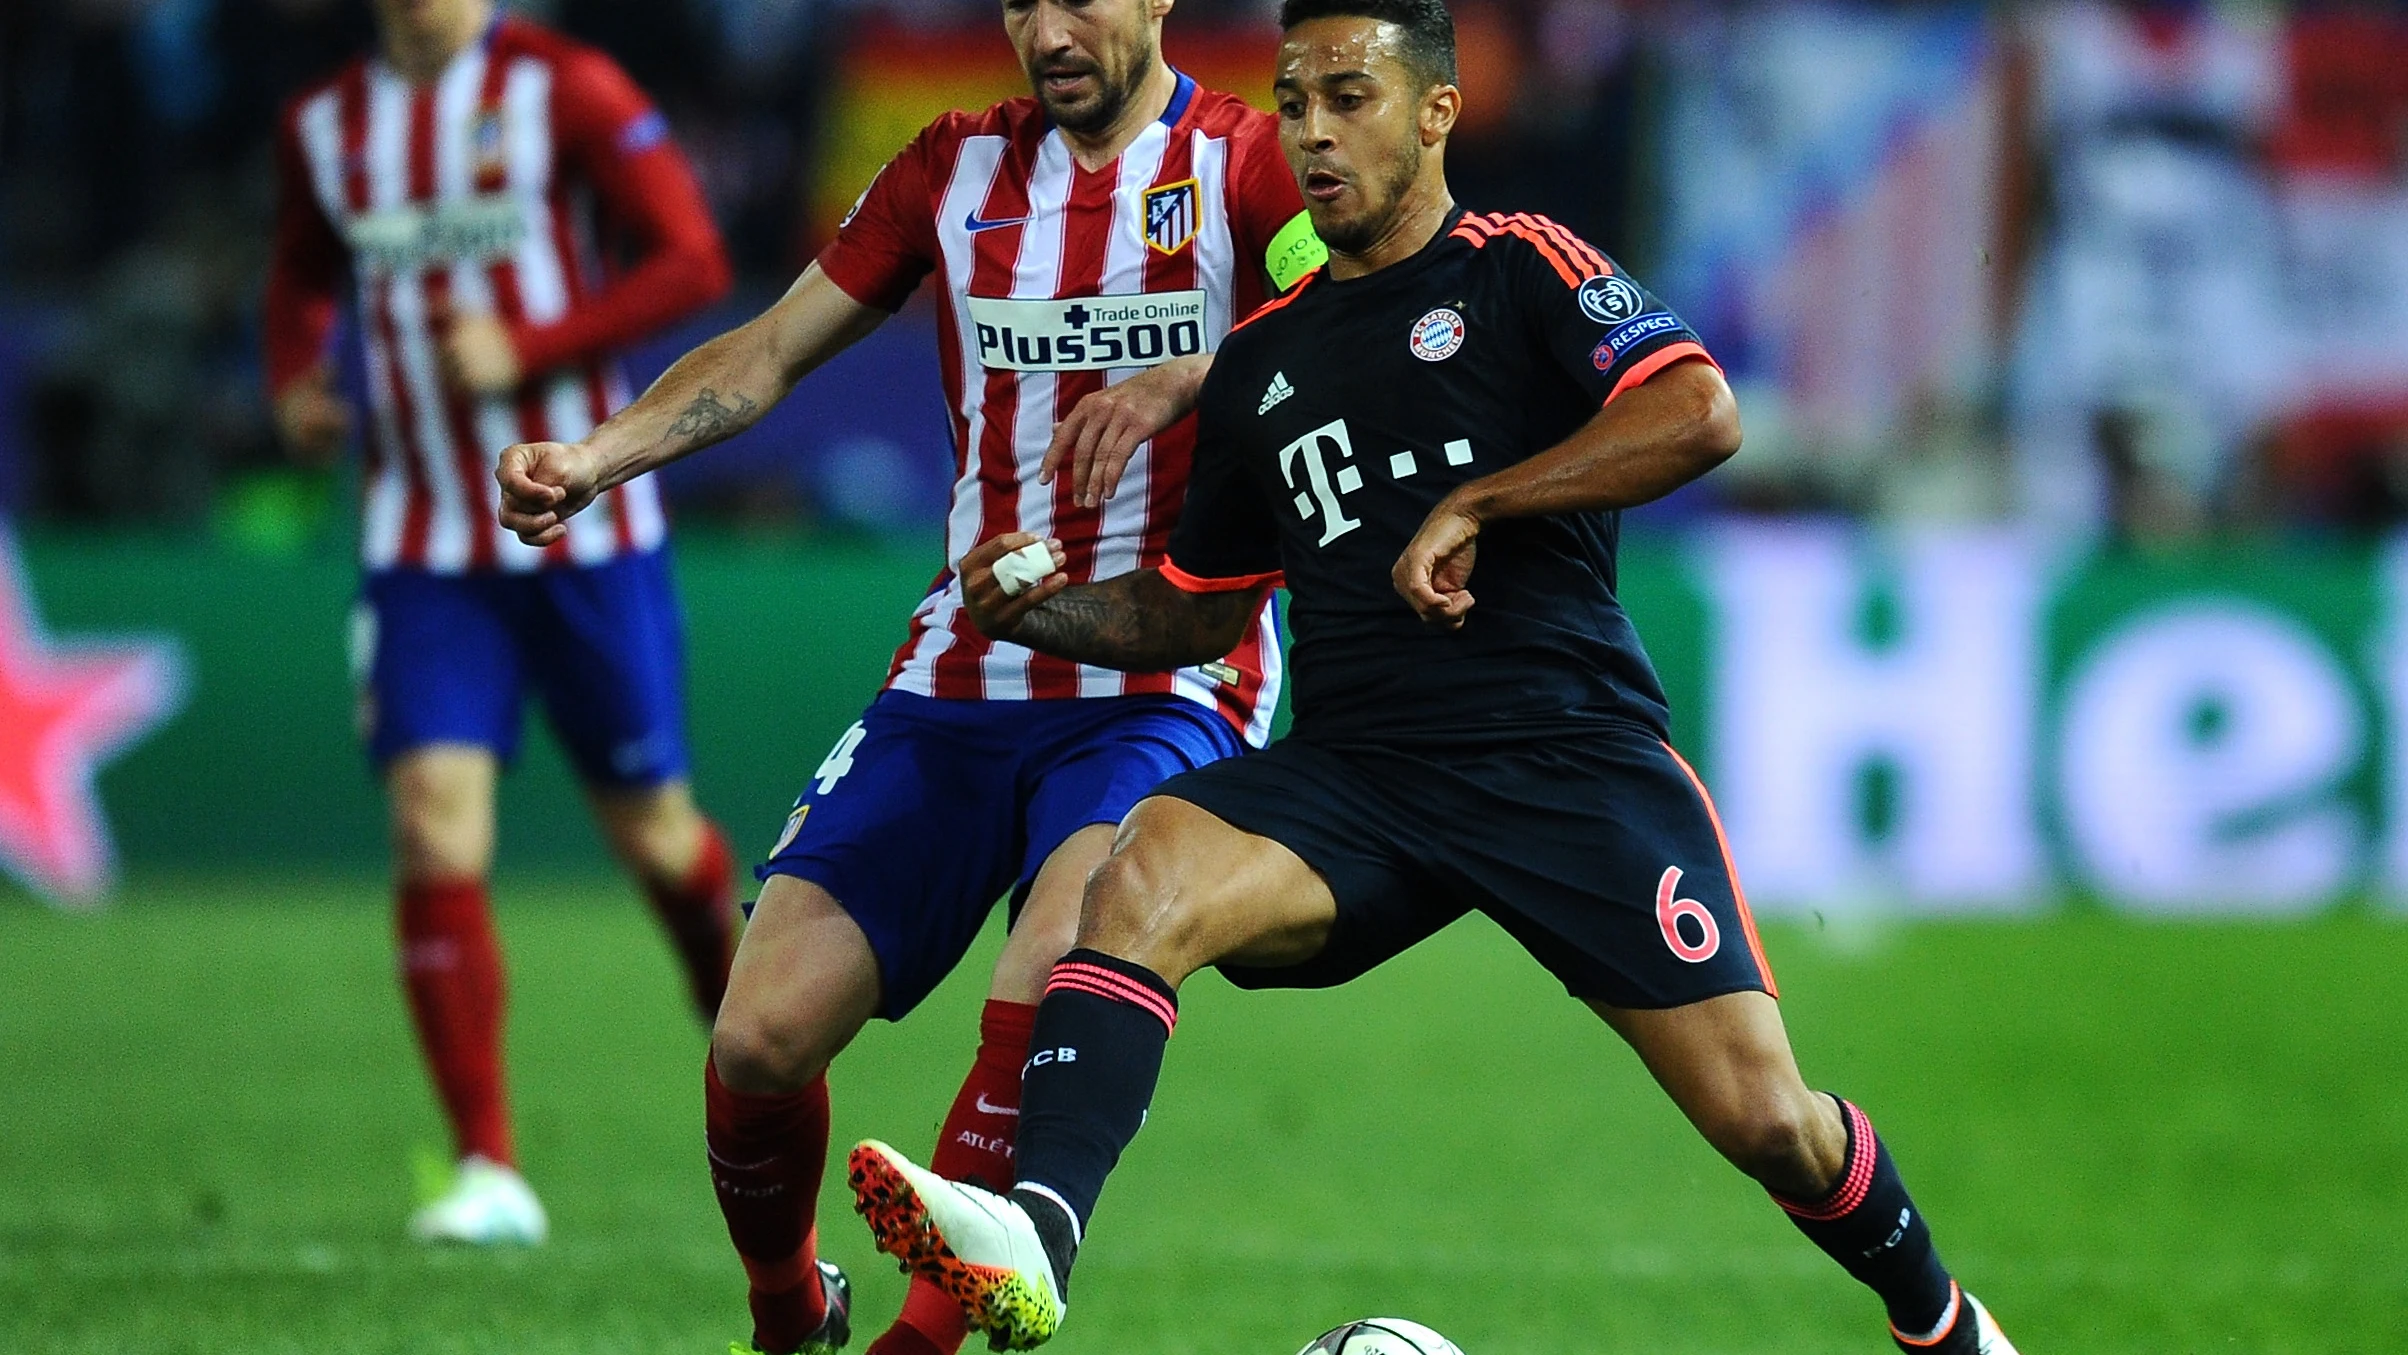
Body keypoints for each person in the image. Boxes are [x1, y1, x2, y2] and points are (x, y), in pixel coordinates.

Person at [844, 3, 2022, 1354]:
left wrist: (1483, 501)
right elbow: (1192, 609)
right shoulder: (1261, 363)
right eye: (1293, 103)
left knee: (1771, 1119)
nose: (1315, 133)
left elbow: (1699, 411)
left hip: (1566, 758)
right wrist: (1040, 607)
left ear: (1438, 112)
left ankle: (1940, 1318)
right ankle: (1038, 1234)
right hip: (1365, 774)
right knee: (1144, 865)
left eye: (1351, 97)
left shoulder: (1519, 267)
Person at [492, 0, 1325, 1349]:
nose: (1049, 28)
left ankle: (917, 1344)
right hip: (964, 664)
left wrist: (1186, 378)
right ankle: (789, 1307)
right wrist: (595, 458)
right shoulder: (950, 171)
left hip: (1169, 670)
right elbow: (766, 350)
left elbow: (1344, 316)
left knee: (1054, 969)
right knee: (756, 1037)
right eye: (1021, 1)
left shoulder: (1245, 164)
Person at [264, 0, 738, 1246]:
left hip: (582, 530)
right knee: (432, 822)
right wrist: (296, 375)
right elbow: (301, 271)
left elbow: (691, 256)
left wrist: (534, 341)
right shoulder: (327, 125)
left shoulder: (564, 86)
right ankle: (488, 1167)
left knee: (654, 836)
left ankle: (754, 1054)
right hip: (420, 541)